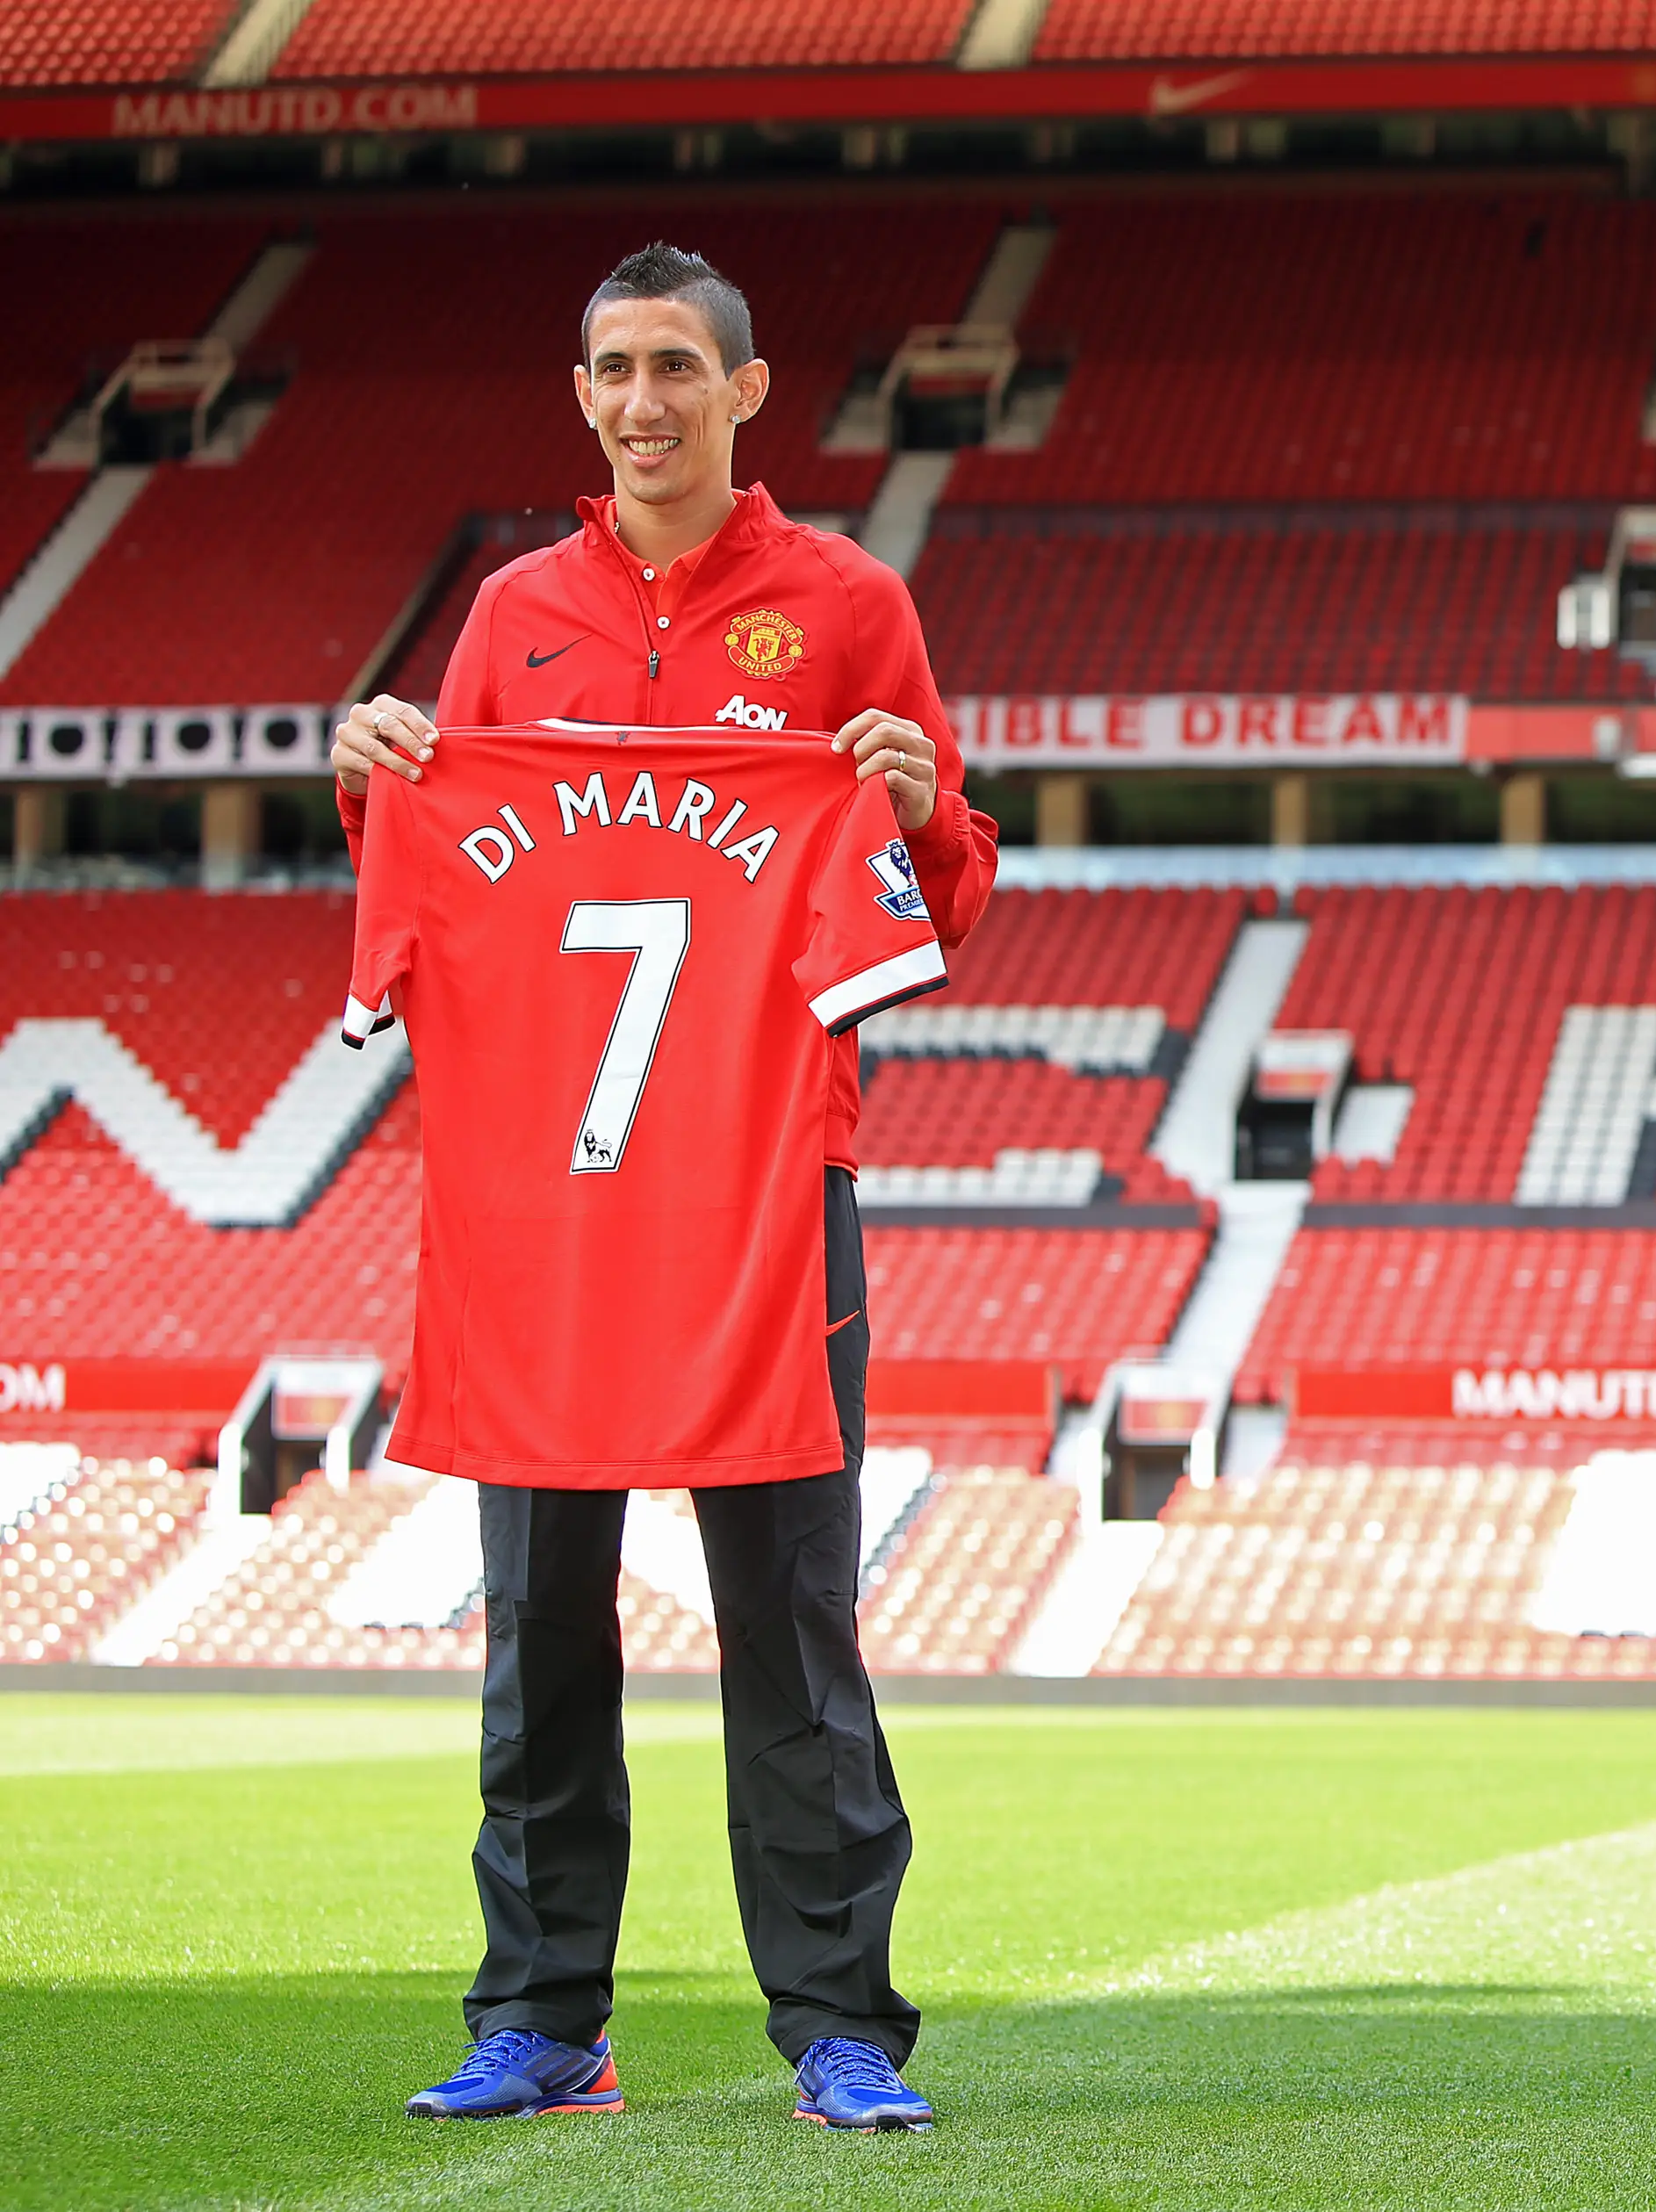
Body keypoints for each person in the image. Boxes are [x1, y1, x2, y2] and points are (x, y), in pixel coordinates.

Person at [333, 243, 998, 2132]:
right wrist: (371, 771)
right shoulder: (509, 612)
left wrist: (917, 802)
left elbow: (942, 894)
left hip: (767, 1192)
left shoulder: (848, 602)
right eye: (614, 367)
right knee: (538, 1613)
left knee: (791, 1613)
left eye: (676, 368)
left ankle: (842, 2022)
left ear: (747, 388)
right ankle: (544, 2016)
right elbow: (445, 868)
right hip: (544, 1201)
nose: (644, 400)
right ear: (580, 394)